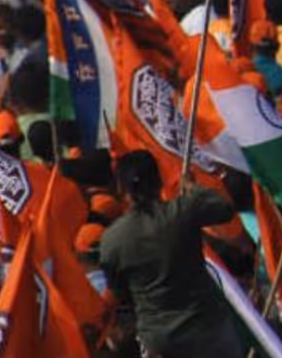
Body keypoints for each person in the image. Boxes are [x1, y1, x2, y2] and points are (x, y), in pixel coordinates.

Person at [99, 150, 242, 358]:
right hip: (209, 330)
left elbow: (118, 291)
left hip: (161, 340)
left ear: (121, 187)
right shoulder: (183, 211)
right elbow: (225, 208)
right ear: (159, 181)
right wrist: (192, 188)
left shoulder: (112, 239)